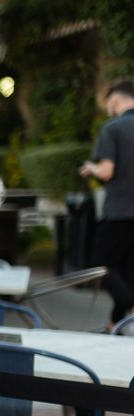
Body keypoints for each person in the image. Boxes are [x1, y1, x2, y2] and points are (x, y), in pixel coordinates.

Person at [80, 80, 134, 328]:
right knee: (128, 271)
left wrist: (91, 168)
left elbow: (106, 171)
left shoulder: (112, 128)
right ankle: (115, 324)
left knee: (101, 266)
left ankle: (131, 307)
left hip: (119, 211)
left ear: (114, 101)